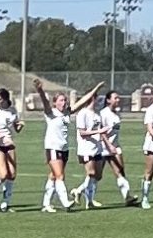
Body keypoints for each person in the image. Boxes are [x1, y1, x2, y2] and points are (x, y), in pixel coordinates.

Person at [34, 78, 103, 213]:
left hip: (64, 149)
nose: (64, 103)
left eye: (65, 100)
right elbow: (45, 102)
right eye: (61, 100)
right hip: (53, 148)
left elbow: (82, 101)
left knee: (53, 176)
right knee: (60, 175)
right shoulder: (51, 113)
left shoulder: (67, 113)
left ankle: (46, 203)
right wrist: (40, 90)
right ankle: (65, 202)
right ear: (55, 103)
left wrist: (96, 89)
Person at [70, 93, 110, 209]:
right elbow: (82, 133)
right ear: (92, 98)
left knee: (98, 176)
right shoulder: (82, 113)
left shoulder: (97, 114)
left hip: (97, 148)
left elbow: (99, 130)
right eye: (97, 98)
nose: (99, 101)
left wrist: (105, 138)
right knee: (91, 173)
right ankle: (83, 196)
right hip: (86, 149)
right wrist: (98, 132)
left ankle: (85, 197)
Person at [98, 90, 138, 206]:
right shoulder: (103, 113)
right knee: (96, 175)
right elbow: (102, 132)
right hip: (104, 148)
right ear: (108, 100)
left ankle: (127, 197)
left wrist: (113, 146)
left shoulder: (117, 114)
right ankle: (79, 191)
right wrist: (108, 145)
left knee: (120, 171)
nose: (118, 100)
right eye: (115, 98)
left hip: (115, 147)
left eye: (118, 98)